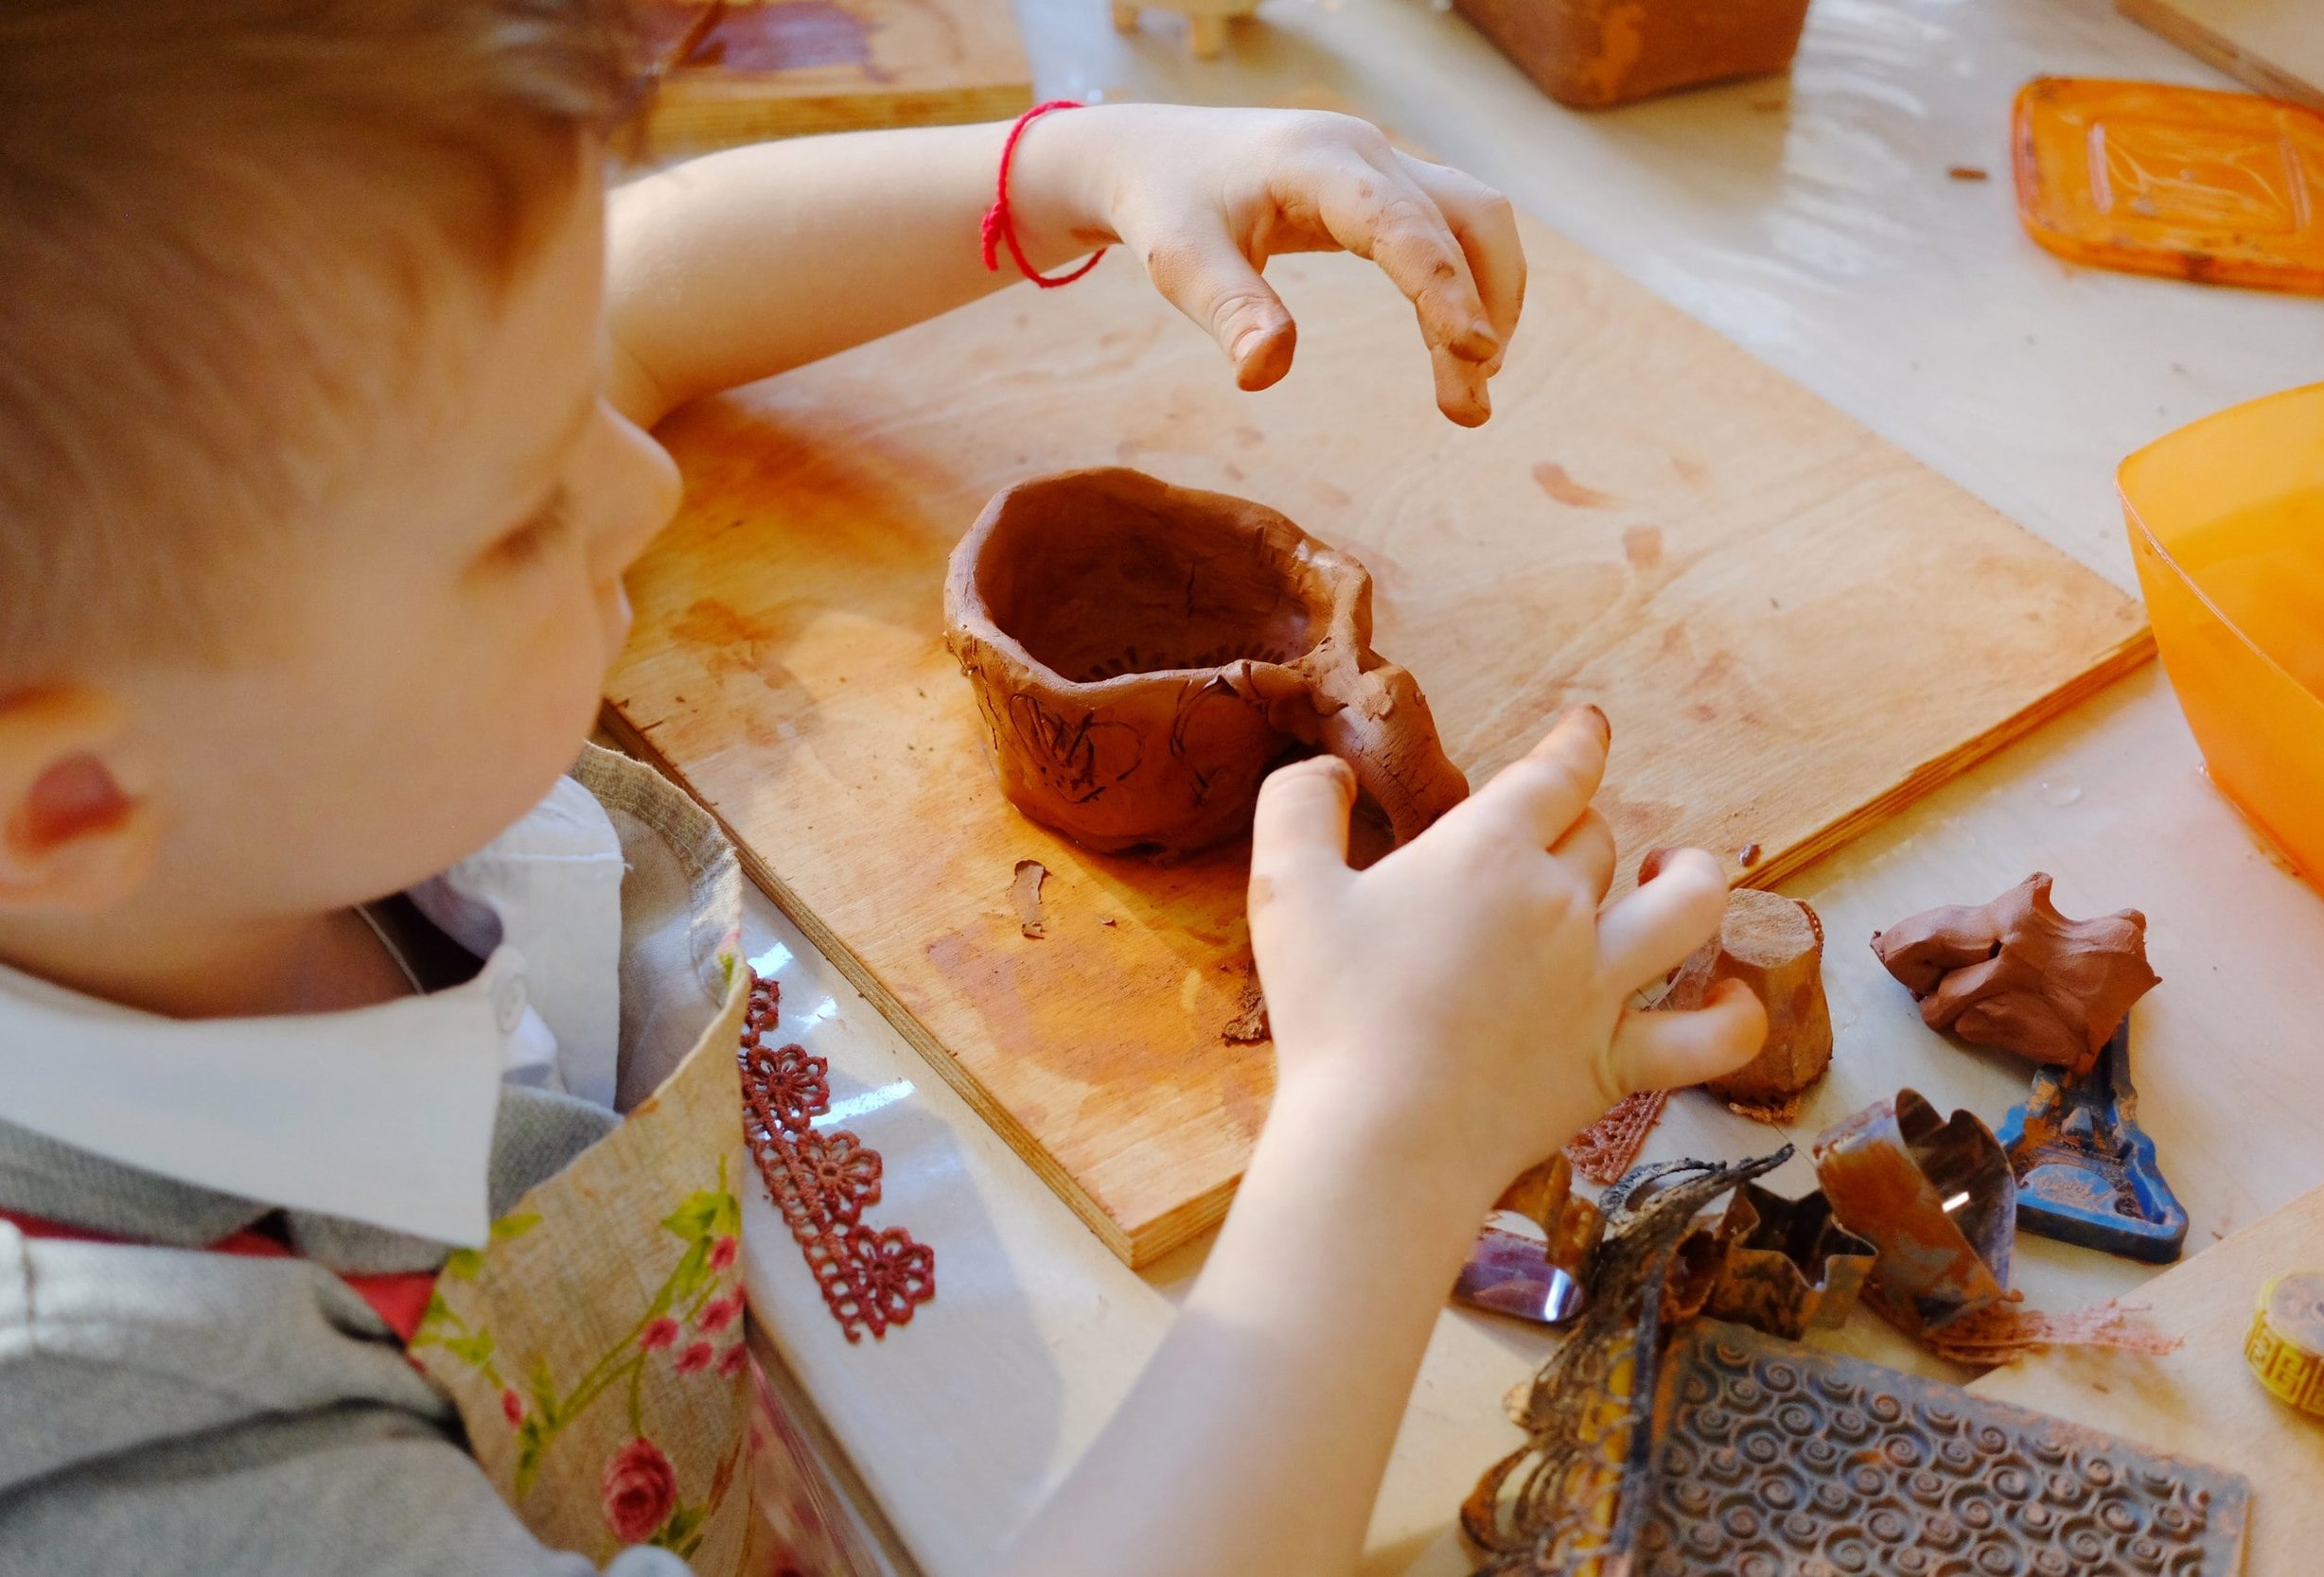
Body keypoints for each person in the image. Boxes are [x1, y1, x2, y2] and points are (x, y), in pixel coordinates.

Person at [0, 4, 1766, 1574]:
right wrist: (1394, 1136)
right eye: (525, 506)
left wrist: (1079, 168)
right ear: (69, 806)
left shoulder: (222, 751)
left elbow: (635, 292)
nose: (639, 482)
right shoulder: (151, 1466)